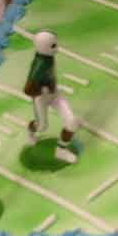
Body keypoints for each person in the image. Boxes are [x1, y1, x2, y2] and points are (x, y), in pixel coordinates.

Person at [23, 31, 79, 163]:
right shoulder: (39, 65)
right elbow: (27, 89)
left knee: (72, 122)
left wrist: (50, 87)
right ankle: (30, 130)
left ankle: (61, 151)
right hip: (41, 98)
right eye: (53, 46)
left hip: (55, 94)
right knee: (42, 127)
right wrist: (43, 89)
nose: (57, 48)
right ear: (44, 47)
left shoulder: (47, 56)